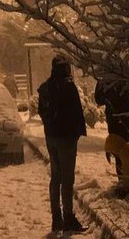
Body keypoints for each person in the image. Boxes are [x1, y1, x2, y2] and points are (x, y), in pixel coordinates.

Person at [38, 58, 87, 235]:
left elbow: (41, 112)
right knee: (67, 179)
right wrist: (76, 133)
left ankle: (56, 219)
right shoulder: (68, 86)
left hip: (51, 137)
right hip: (66, 138)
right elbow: (76, 113)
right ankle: (68, 218)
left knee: (56, 178)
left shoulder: (45, 87)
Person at [94, 78, 129, 143]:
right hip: (114, 120)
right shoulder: (106, 76)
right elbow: (99, 99)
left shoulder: (127, 74)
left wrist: (126, 90)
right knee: (116, 148)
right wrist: (113, 92)